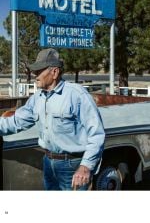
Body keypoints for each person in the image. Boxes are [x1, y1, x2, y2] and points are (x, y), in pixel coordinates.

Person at [0, 48, 105, 190]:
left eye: (39, 71)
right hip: (48, 163)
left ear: (54, 72)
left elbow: (97, 134)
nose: (35, 75)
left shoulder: (77, 95)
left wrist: (85, 166)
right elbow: (15, 122)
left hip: (73, 166)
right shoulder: (37, 98)